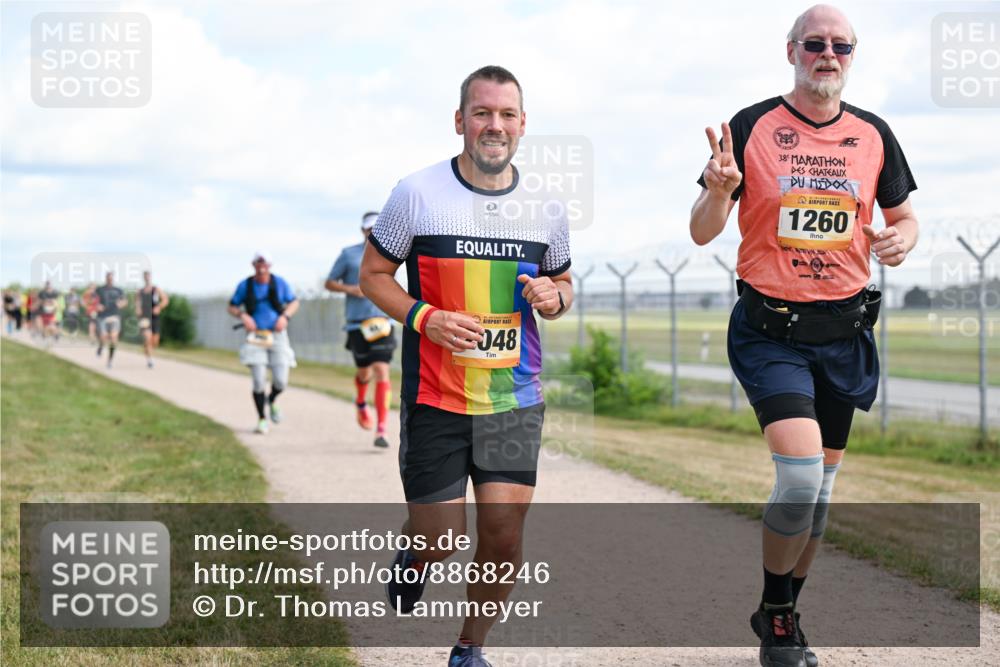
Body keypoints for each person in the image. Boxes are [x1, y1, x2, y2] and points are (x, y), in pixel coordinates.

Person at [689, 6, 918, 667]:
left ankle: (779, 607)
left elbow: (905, 217)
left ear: (852, 56)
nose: (827, 54)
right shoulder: (752, 126)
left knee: (818, 497)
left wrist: (901, 239)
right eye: (814, 43)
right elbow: (704, 230)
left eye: (840, 46)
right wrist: (716, 190)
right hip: (770, 332)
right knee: (797, 478)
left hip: (842, 334)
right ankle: (780, 619)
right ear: (790, 50)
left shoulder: (875, 134)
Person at [360, 65, 572, 667]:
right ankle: (414, 556)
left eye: (506, 114)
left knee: (503, 534)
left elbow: (562, 279)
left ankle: (469, 648)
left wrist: (557, 297)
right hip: (436, 397)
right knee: (442, 539)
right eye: (482, 113)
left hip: (513, 399)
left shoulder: (547, 206)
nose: (494, 125)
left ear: (523, 125)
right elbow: (373, 277)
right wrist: (426, 318)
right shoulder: (416, 194)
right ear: (460, 121)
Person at [326, 211, 397, 449]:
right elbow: (329, 282)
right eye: (369, 229)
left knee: (382, 370)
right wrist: (351, 289)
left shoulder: (394, 253)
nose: (373, 232)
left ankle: (382, 429)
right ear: (362, 230)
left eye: (378, 228)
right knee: (365, 373)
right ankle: (360, 401)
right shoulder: (349, 254)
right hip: (358, 324)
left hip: (383, 321)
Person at [227, 252, 300, 434]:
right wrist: (243, 316)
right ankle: (261, 419)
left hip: (277, 336)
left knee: (281, 380)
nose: (261, 267)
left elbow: (294, 303)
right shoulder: (246, 285)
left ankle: (272, 400)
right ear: (253, 265)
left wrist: (285, 317)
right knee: (259, 380)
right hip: (256, 337)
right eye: (258, 263)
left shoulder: (280, 283)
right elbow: (232, 305)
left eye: (264, 263)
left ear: (269, 265)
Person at [135, 271, 170, 368]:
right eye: (145, 276)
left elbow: (166, 300)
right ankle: (150, 360)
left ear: (150, 277)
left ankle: (148, 348)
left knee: (155, 341)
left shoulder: (156, 289)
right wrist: (138, 310)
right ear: (143, 278)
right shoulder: (140, 291)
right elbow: (137, 303)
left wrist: (159, 307)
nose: (147, 278)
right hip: (144, 318)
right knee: (147, 337)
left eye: (148, 276)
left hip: (154, 318)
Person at [95, 272, 128, 368]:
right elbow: (92, 300)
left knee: (113, 339)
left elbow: (125, 301)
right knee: (103, 337)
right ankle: (101, 346)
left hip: (114, 316)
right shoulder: (99, 290)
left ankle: (110, 361)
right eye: (108, 278)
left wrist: (121, 304)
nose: (110, 280)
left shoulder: (118, 290)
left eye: (111, 278)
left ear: (113, 279)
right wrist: (97, 306)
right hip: (103, 316)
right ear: (106, 278)